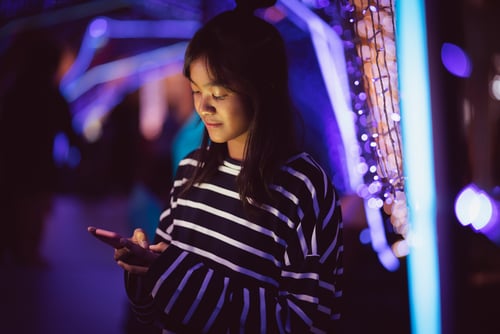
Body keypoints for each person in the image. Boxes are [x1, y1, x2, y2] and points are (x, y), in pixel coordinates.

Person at [110, 0, 343, 332]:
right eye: (195, 91)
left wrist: (173, 273)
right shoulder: (191, 170)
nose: (203, 108)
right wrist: (141, 269)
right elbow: (152, 310)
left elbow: (305, 321)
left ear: (262, 89)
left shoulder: (302, 187)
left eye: (218, 94)